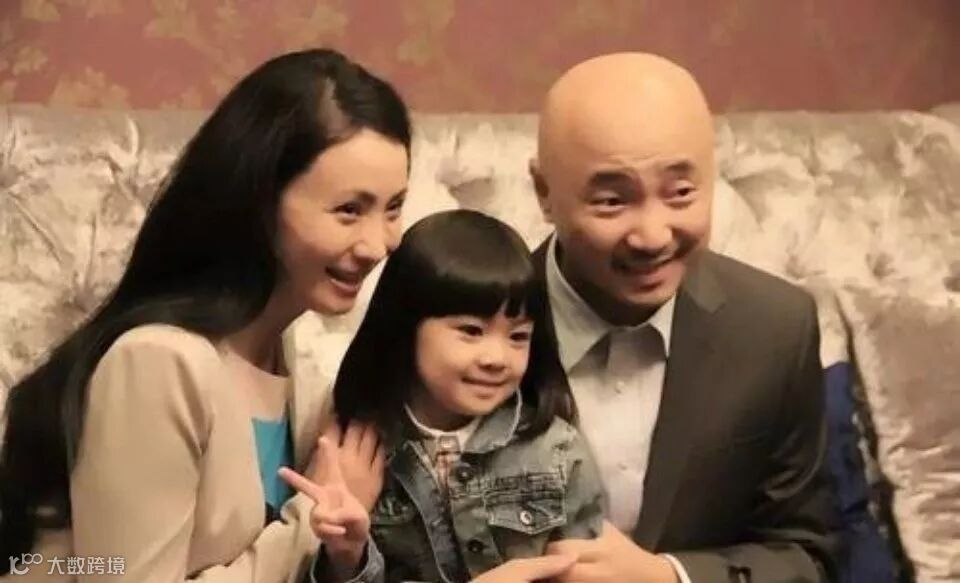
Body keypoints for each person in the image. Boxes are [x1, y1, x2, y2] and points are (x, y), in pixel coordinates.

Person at [0, 48, 411, 582]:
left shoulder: (292, 364)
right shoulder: (157, 364)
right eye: (349, 210)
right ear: (261, 203)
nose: (379, 244)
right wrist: (308, 524)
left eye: (393, 207)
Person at [525, 53, 840, 582]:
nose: (653, 236)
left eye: (681, 194)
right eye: (611, 201)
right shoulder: (464, 325)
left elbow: (807, 556)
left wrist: (668, 578)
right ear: (544, 192)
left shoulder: (775, 330)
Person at [280, 210, 606, 583]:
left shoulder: (556, 450)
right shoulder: (357, 452)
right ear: (406, 327)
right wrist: (346, 556)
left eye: (518, 336)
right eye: (471, 331)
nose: (496, 358)